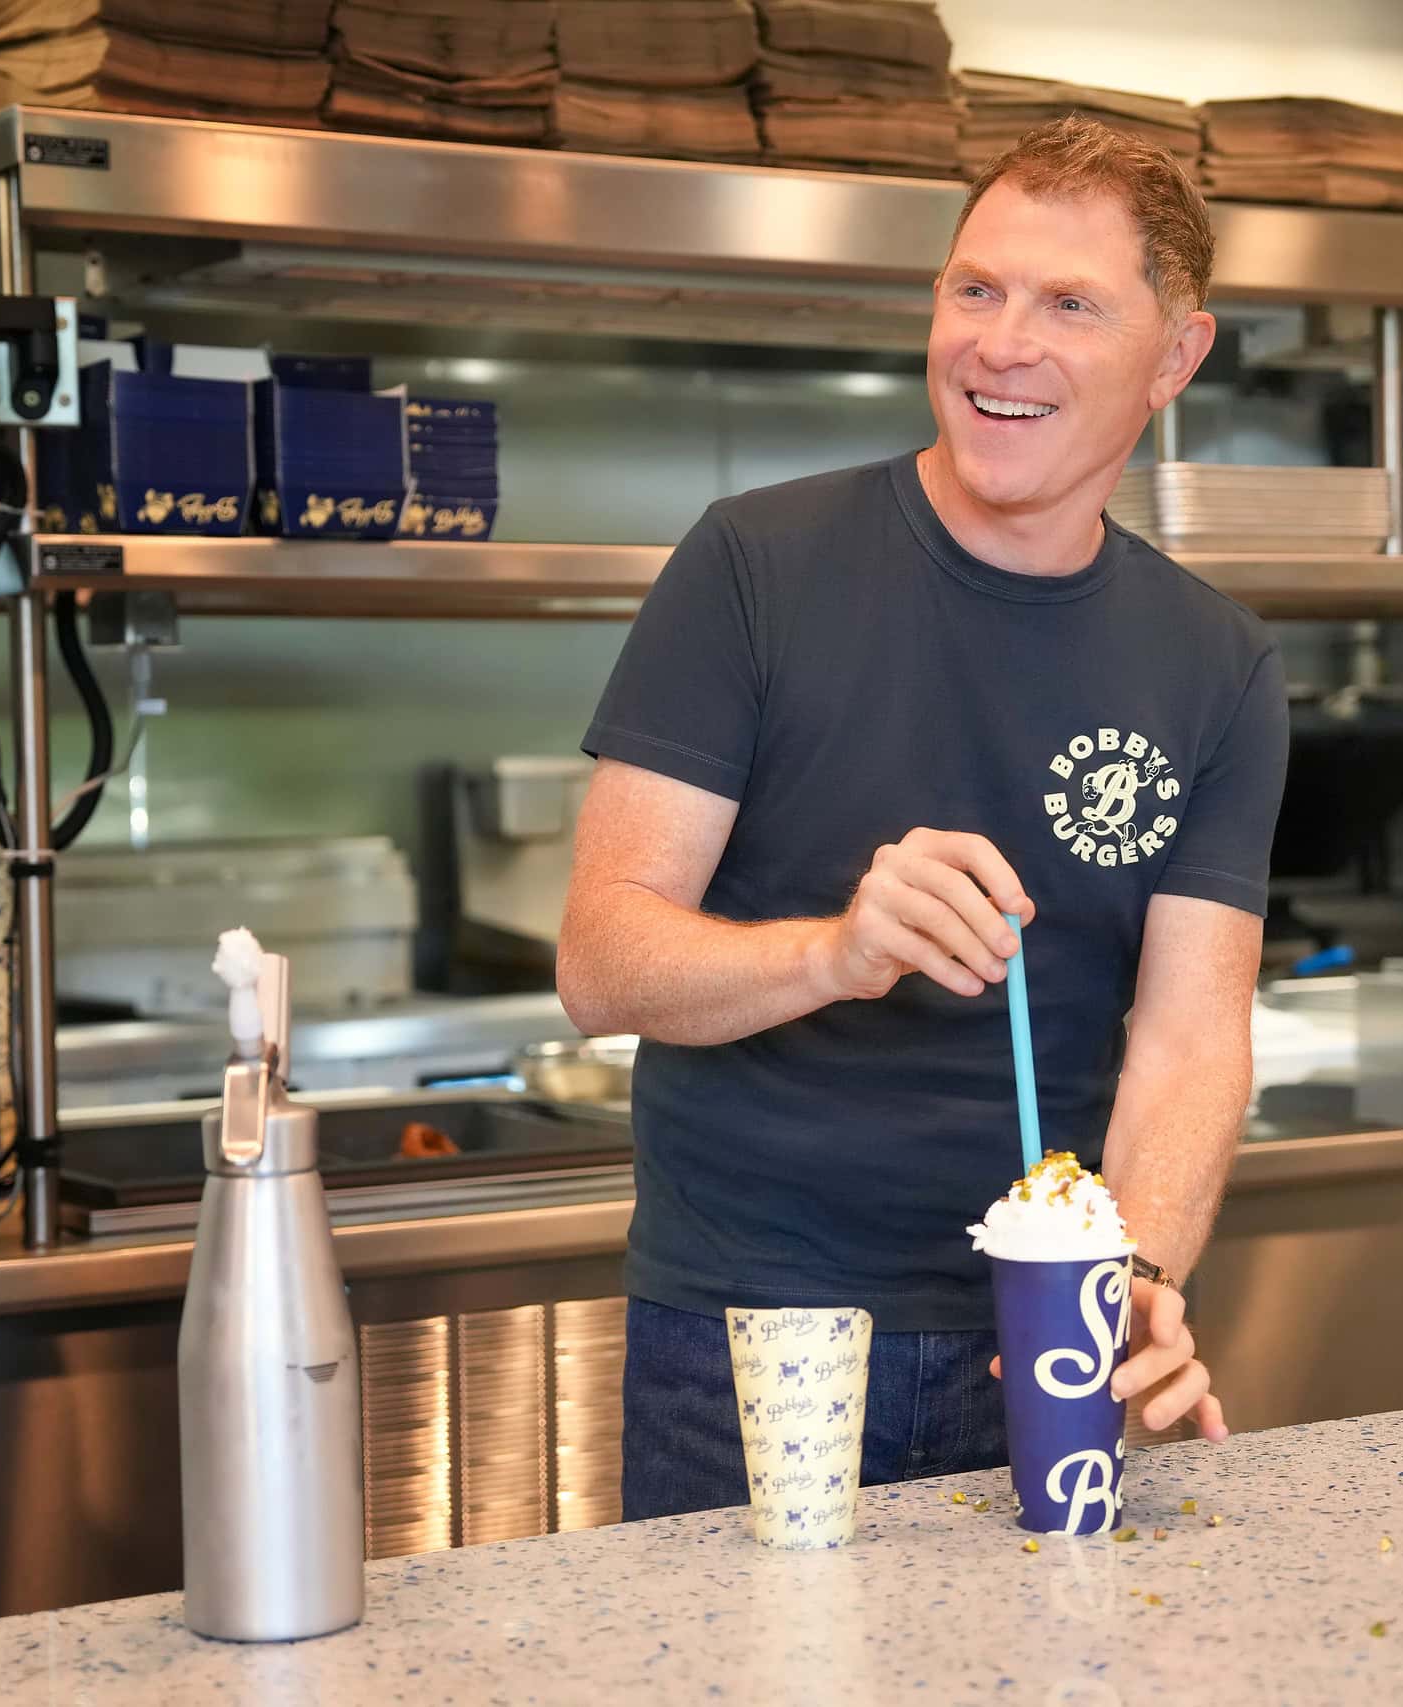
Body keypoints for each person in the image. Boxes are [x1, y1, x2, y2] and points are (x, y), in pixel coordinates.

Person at [556, 117, 1290, 1521]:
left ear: (1176, 357)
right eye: (976, 289)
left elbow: (1194, 1034)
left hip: (1046, 1341)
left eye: (1070, 304)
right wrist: (833, 951)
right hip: (756, 1337)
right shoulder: (752, 568)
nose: (1001, 345)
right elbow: (602, 961)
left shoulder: (1217, 662)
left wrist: (1136, 1278)